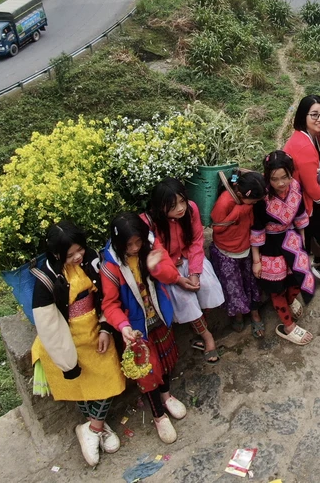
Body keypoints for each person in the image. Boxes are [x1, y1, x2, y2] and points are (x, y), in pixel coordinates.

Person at [30, 221, 126, 467]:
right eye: (70, 254)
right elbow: (48, 324)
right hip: (65, 337)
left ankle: (91, 429)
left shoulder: (92, 259)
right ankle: (100, 428)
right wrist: (66, 361)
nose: (77, 256)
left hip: (94, 330)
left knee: (111, 377)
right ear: (56, 254)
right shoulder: (46, 278)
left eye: (79, 250)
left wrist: (105, 327)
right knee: (80, 384)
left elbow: (106, 294)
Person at [101, 213, 184, 444]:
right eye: (129, 245)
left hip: (158, 316)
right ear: (119, 245)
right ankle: (158, 414)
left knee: (164, 361)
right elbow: (110, 304)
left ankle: (166, 395)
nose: (136, 248)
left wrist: (155, 267)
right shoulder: (110, 265)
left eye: (138, 242)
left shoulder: (151, 245)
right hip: (136, 328)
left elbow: (171, 275)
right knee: (147, 370)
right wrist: (123, 326)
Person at [142, 178, 225, 363]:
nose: (180, 208)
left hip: (189, 258)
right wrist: (177, 278)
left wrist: (194, 272)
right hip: (168, 268)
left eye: (182, 201)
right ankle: (206, 336)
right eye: (172, 205)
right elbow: (157, 256)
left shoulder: (191, 209)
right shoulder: (149, 223)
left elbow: (196, 241)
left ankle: (199, 325)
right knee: (186, 300)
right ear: (159, 207)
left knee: (208, 286)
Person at [251, 150, 315, 345]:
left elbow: (300, 216)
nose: (280, 184)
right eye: (274, 179)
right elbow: (257, 230)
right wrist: (256, 261)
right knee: (276, 287)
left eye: (284, 177)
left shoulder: (296, 187)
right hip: (270, 244)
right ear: (267, 177)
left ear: (290, 174)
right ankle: (288, 326)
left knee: (298, 276)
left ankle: (290, 299)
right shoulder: (262, 198)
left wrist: (302, 244)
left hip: (291, 237)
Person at [283, 96, 320, 286]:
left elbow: (313, 177)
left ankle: (319, 256)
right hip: (305, 200)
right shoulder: (304, 146)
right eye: (314, 115)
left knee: (317, 230)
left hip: (299, 197)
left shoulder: (305, 136)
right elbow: (311, 186)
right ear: (303, 116)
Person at [209, 170, 266, 338]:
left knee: (250, 284)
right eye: (253, 201)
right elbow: (217, 228)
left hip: (245, 249)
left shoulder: (247, 200)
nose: (254, 204)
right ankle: (238, 316)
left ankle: (255, 314)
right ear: (240, 194)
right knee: (233, 288)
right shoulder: (225, 202)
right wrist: (240, 211)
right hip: (227, 253)